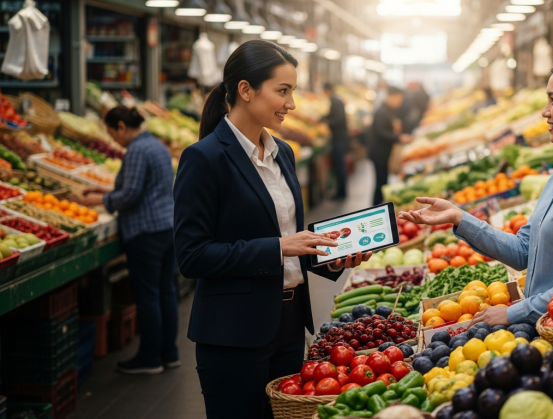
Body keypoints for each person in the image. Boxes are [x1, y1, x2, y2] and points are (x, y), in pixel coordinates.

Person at [172, 40, 371, 418]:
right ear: (245, 90)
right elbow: (192, 256)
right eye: (282, 91)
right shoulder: (204, 159)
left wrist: (334, 257)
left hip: (290, 325)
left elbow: (293, 249)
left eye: (292, 91)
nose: (291, 104)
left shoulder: (284, 153)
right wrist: (279, 247)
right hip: (233, 333)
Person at [399, 53, 553, 326]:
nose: (545, 111)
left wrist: (513, 313)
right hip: (540, 323)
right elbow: (524, 250)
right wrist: (459, 217)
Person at [77, 106, 178, 374]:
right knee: (166, 291)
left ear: (121, 126)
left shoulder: (136, 150)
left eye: (112, 132)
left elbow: (130, 195)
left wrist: (98, 199)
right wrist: (104, 189)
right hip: (167, 228)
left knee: (147, 297)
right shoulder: (156, 145)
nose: (112, 139)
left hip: (145, 232)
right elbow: (145, 186)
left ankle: (150, 359)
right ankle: (169, 353)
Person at [370, 86, 411, 205]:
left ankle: (380, 205)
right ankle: (377, 207)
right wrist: (398, 137)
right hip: (379, 153)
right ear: (391, 96)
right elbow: (381, 132)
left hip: (383, 151)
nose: (400, 102)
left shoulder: (388, 110)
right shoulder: (381, 111)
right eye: (399, 99)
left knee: (383, 180)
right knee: (380, 182)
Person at [322, 83, 350, 200]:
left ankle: (341, 192)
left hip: (339, 137)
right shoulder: (336, 100)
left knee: (339, 165)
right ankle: (341, 191)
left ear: (327, 90)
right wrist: (323, 118)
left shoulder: (335, 101)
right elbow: (333, 115)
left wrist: (327, 122)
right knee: (338, 165)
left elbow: (338, 119)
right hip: (339, 137)